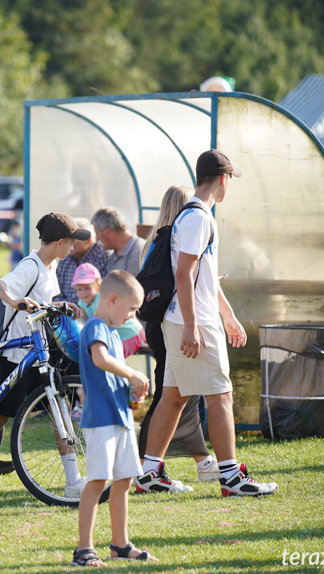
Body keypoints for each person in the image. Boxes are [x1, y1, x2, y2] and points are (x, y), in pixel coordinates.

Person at [137, 150, 278, 497]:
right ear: (223, 180)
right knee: (221, 395)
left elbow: (203, 277)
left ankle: (149, 472)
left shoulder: (191, 215)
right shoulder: (201, 218)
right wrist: (192, 325)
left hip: (183, 318)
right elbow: (183, 275)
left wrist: (228, 317)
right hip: (193, 320)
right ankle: (231, 477)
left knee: (173, 396)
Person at [0, 212, 89, 499]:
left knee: (59, 406)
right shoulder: (31, 266)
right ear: (60, 242)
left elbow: (41, 303)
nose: (73, 248)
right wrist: (15, 300)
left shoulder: (48, 268)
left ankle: (73, 480)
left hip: (38, 353)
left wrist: (60, 304)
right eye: (71, 242)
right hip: (16, 354)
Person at [72, 270, 156, 567]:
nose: (133, 316)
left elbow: (112, 373)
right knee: (98, 481)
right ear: (112, 300)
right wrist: (133, 372)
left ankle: (120, 545)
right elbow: (100, 360)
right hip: (100, 420)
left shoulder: (115, 335)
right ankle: (83, 549)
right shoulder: (95, 326)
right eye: (131, 309)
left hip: (119, 417)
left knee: (123, 480)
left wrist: (132, 392)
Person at [137, 185, 217, 493]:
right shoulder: (180, 234)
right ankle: (154, 465)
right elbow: (181, 279)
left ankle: (197, 461)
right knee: (174, 396)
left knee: (177, 394)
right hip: (176, 320)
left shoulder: (153, 241)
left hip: (157, 323)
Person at [72, 263, 147, 358]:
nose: (83, 293)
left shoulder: (101, 300)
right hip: (115, 335)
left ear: (98, 287)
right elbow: (84, 321)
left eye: (87, 288)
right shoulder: (83, 301)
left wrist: (131, 374)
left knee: (112, 357)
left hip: (132, 335)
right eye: (79, 289)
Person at [54, 218, 109, 304]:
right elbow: (55, 292)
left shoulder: (102, 255)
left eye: (73, 240)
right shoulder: (65, 256)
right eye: (66, 239)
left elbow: (102, 292)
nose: (68, 243)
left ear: (88, 239)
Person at [91, 207, 145, 276]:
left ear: (106, 231)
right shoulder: (113, 254)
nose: (96, 238)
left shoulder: (139, 253)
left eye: (97, 233)